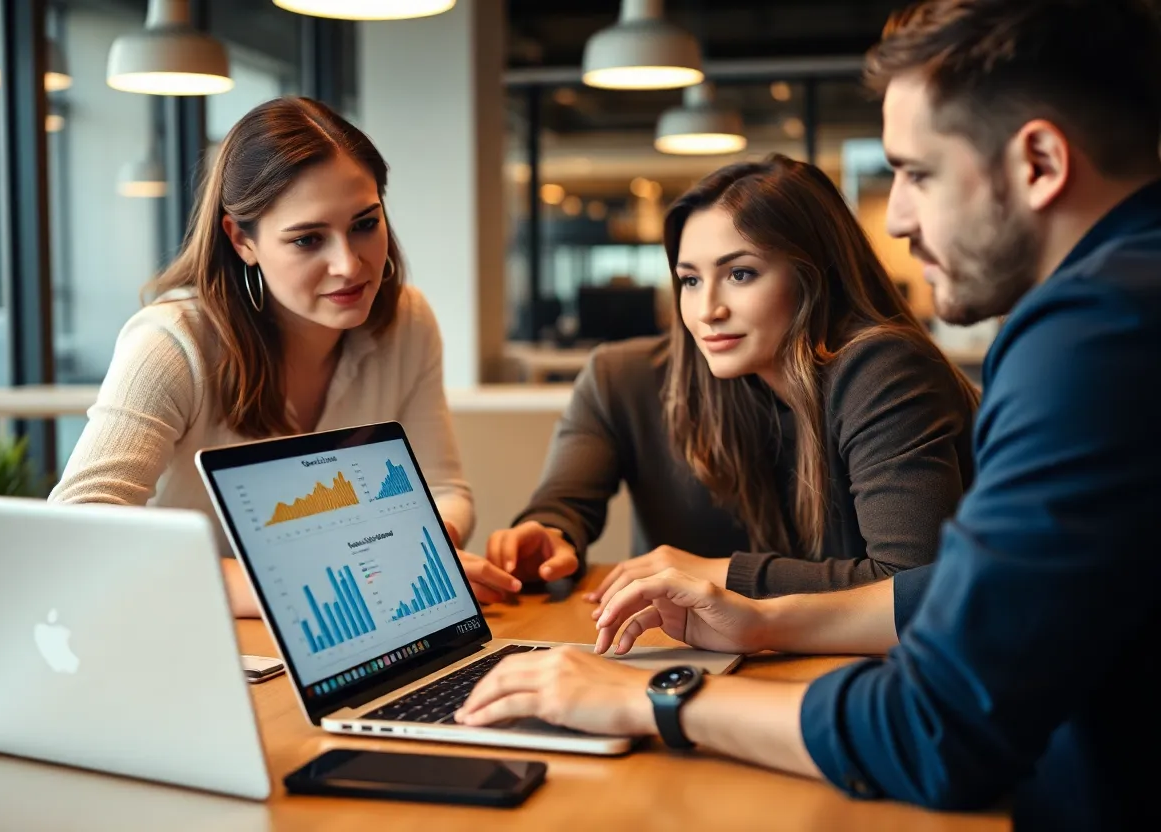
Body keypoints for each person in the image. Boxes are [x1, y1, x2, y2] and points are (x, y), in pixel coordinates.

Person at [455, 1, 1161, 828]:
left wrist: (652, 696)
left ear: (1040, 161)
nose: (898, 218)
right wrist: (763, 622)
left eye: (918, 174)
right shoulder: (1117, 304)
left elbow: (935, 730)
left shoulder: (1096, 335)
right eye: (690, 279)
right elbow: (958, 595)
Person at [49, 96, 521, 614]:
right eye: (308, 239)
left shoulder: (407, 322)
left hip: (349, 623)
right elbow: (79, 531)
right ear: (242, 241)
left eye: (365, 224)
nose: (349, 265)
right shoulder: (172, 342)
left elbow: (444, 487)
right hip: (182, 630)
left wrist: (418, 543)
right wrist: (300, 582)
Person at [478, 156, 978, 607]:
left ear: (815, 276)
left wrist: (717, 575)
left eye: (740, 274)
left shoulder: (883, 371)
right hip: (700, 659)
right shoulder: (622, 379)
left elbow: (913, 585)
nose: (707, 310)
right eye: (690, 280)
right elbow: (564, 506)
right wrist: (549, 533)